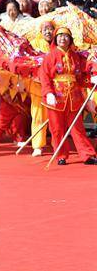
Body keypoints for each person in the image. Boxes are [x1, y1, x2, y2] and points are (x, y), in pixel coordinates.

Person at [38, 26, 97, 165]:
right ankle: (61, 155)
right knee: (57, 128)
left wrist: (92, 79)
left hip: (74, 97)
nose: (62, 38)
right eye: (60, 36)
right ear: (55, 39)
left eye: (65, 36)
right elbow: (44, 76)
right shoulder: (50, 56)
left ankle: (87, 154)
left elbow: (81, 77)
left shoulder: (76, 56)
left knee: (78, 128)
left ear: (70, 39)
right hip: (56, 97)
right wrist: (49, 93)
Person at [27, 21, 54, 156]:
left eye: (50, 29)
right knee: (38, 117)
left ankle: (57, 142)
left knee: (55, 117)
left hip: (56, 88)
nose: (48, 32)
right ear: (41, 31)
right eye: (45, 29)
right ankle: (38, 145)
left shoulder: (59, 43)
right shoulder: (34, 44)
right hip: (38, 86)